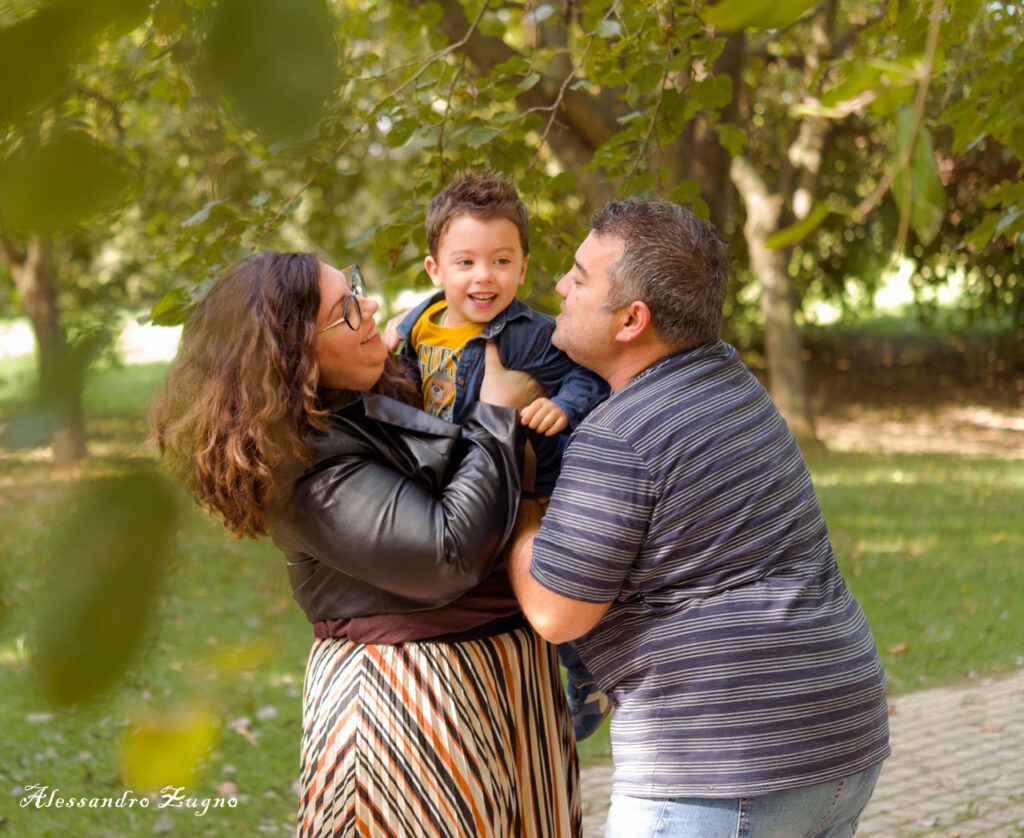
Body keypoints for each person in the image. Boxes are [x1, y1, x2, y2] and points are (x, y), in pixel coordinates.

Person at [150, 251, 581, 837]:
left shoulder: (361, 399)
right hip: (413, 709)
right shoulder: (302, 463)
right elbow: (445, 554)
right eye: (346, 309)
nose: (371, 304)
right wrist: (494, 415)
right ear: (294, 355)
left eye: (355, 286)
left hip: (499, 681)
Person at [505, 200, 891, 837]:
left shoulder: (621, 434)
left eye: (579, 276)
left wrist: (522, 510)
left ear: (632, 319)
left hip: (723, 763)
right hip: (841, 734)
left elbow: (555, 612)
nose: (560, 287)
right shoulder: (735, 383)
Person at [393, 170, 612, 740]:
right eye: (465, 262)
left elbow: (586, 374)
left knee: (549, 582)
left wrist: (563, 405)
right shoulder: (418, 324)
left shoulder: (531, 335)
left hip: (529, 479)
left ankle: (585, 674)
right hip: (452, 471)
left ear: (523, 264)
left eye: (501, 261)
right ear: (435, 270)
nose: (483, 278)